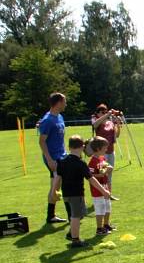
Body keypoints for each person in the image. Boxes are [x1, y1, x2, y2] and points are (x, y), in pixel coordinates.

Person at [50, 135, 111, 248]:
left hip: (67, 194)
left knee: (80, 214)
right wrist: (104, 191)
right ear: (82, 147)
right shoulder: (80, 163)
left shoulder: (62, 161)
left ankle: (71, 234)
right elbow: (92, 179)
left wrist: (54, 191)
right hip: (76, 194)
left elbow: (58, 177)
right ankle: (75, 240)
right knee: (76, 216)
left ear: (69, 147)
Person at [39, 92, 71, 223]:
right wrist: (50, 160)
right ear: (58, 103)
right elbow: (42, 141)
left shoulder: (60, 117)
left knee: (55, 187)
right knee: (62, 185)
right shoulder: (47, 120)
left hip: (62, 156)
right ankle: (72, 215)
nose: (66, 104)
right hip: (53, 158)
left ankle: (50, 216)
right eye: (64, 101)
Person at [86, 136, 114, 235]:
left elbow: (106, 165)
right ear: (98, 149)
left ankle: (106, 224)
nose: (106, 149)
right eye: (105, 148)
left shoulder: (101, 158)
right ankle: (99, 228)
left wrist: (109, 167)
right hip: (97, 190)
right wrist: (102, 174)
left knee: (107, 206)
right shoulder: (92, 161)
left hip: (104, 187)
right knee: (100, 208)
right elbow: (90, 176)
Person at [90, 104, 122, 190]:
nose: (104, 113)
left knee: (109, 173)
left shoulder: (110, 123)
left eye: (105, 111)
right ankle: (101, 193)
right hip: (101, 153)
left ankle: (109, 193)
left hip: (111, 151)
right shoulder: (96, 121)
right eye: (102, 112)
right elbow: (95, 125)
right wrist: (107, 114)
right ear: (98, 113)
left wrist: (118, 124)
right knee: (101, 173)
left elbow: (117, 136)